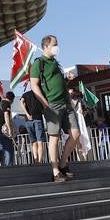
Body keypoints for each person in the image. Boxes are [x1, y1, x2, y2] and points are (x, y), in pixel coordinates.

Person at [28, 35, 76, 183]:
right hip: (52, 104)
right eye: (54, 44)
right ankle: (55, 171)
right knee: (54, 137)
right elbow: (34, 84)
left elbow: (57, 81)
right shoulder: (39, 63)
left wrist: (67, 78)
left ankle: (62, 164)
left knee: (75, 133)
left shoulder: (55, 62)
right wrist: (44, 103)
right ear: (46, 47)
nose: (57, 47)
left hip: (66, 103)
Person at [20, 89, 47, 164]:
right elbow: (46, 105)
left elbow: (21, 102)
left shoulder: (26, 94)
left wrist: (27, 114)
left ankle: (36, 160)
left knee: (34, 142)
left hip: (28, 120)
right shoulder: (41, 93)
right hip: (38, 118)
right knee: (40, 141)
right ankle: (40, 161)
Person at [0, 93, 15, 166]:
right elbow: (6, 115)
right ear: (12, 99)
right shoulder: (7, 103)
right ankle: (8, 165)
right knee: (9, 146)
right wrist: (10, 128)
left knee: (2, 146)